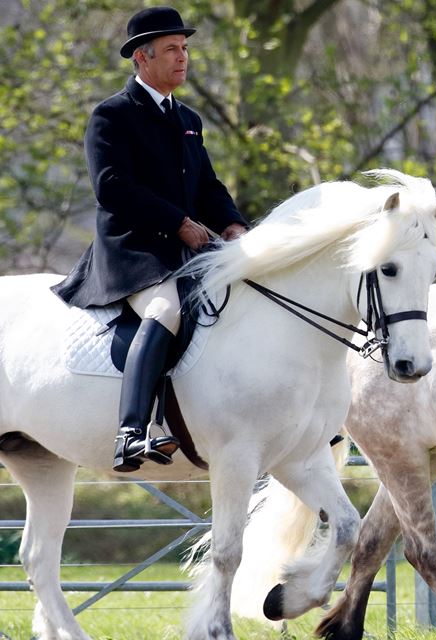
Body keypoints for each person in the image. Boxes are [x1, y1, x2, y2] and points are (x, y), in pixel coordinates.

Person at [52, 6, 248, 473]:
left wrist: (233, 225)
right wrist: (178, 221)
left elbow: (208, 187)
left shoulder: (188, 118)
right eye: (172, 50)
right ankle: (131, 432)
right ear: (142, 58)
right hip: (132, 251)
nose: (183, 58)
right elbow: (113, 187)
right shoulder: (112, 115)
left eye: (185, 48)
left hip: (185, 250)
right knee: (166, 310)